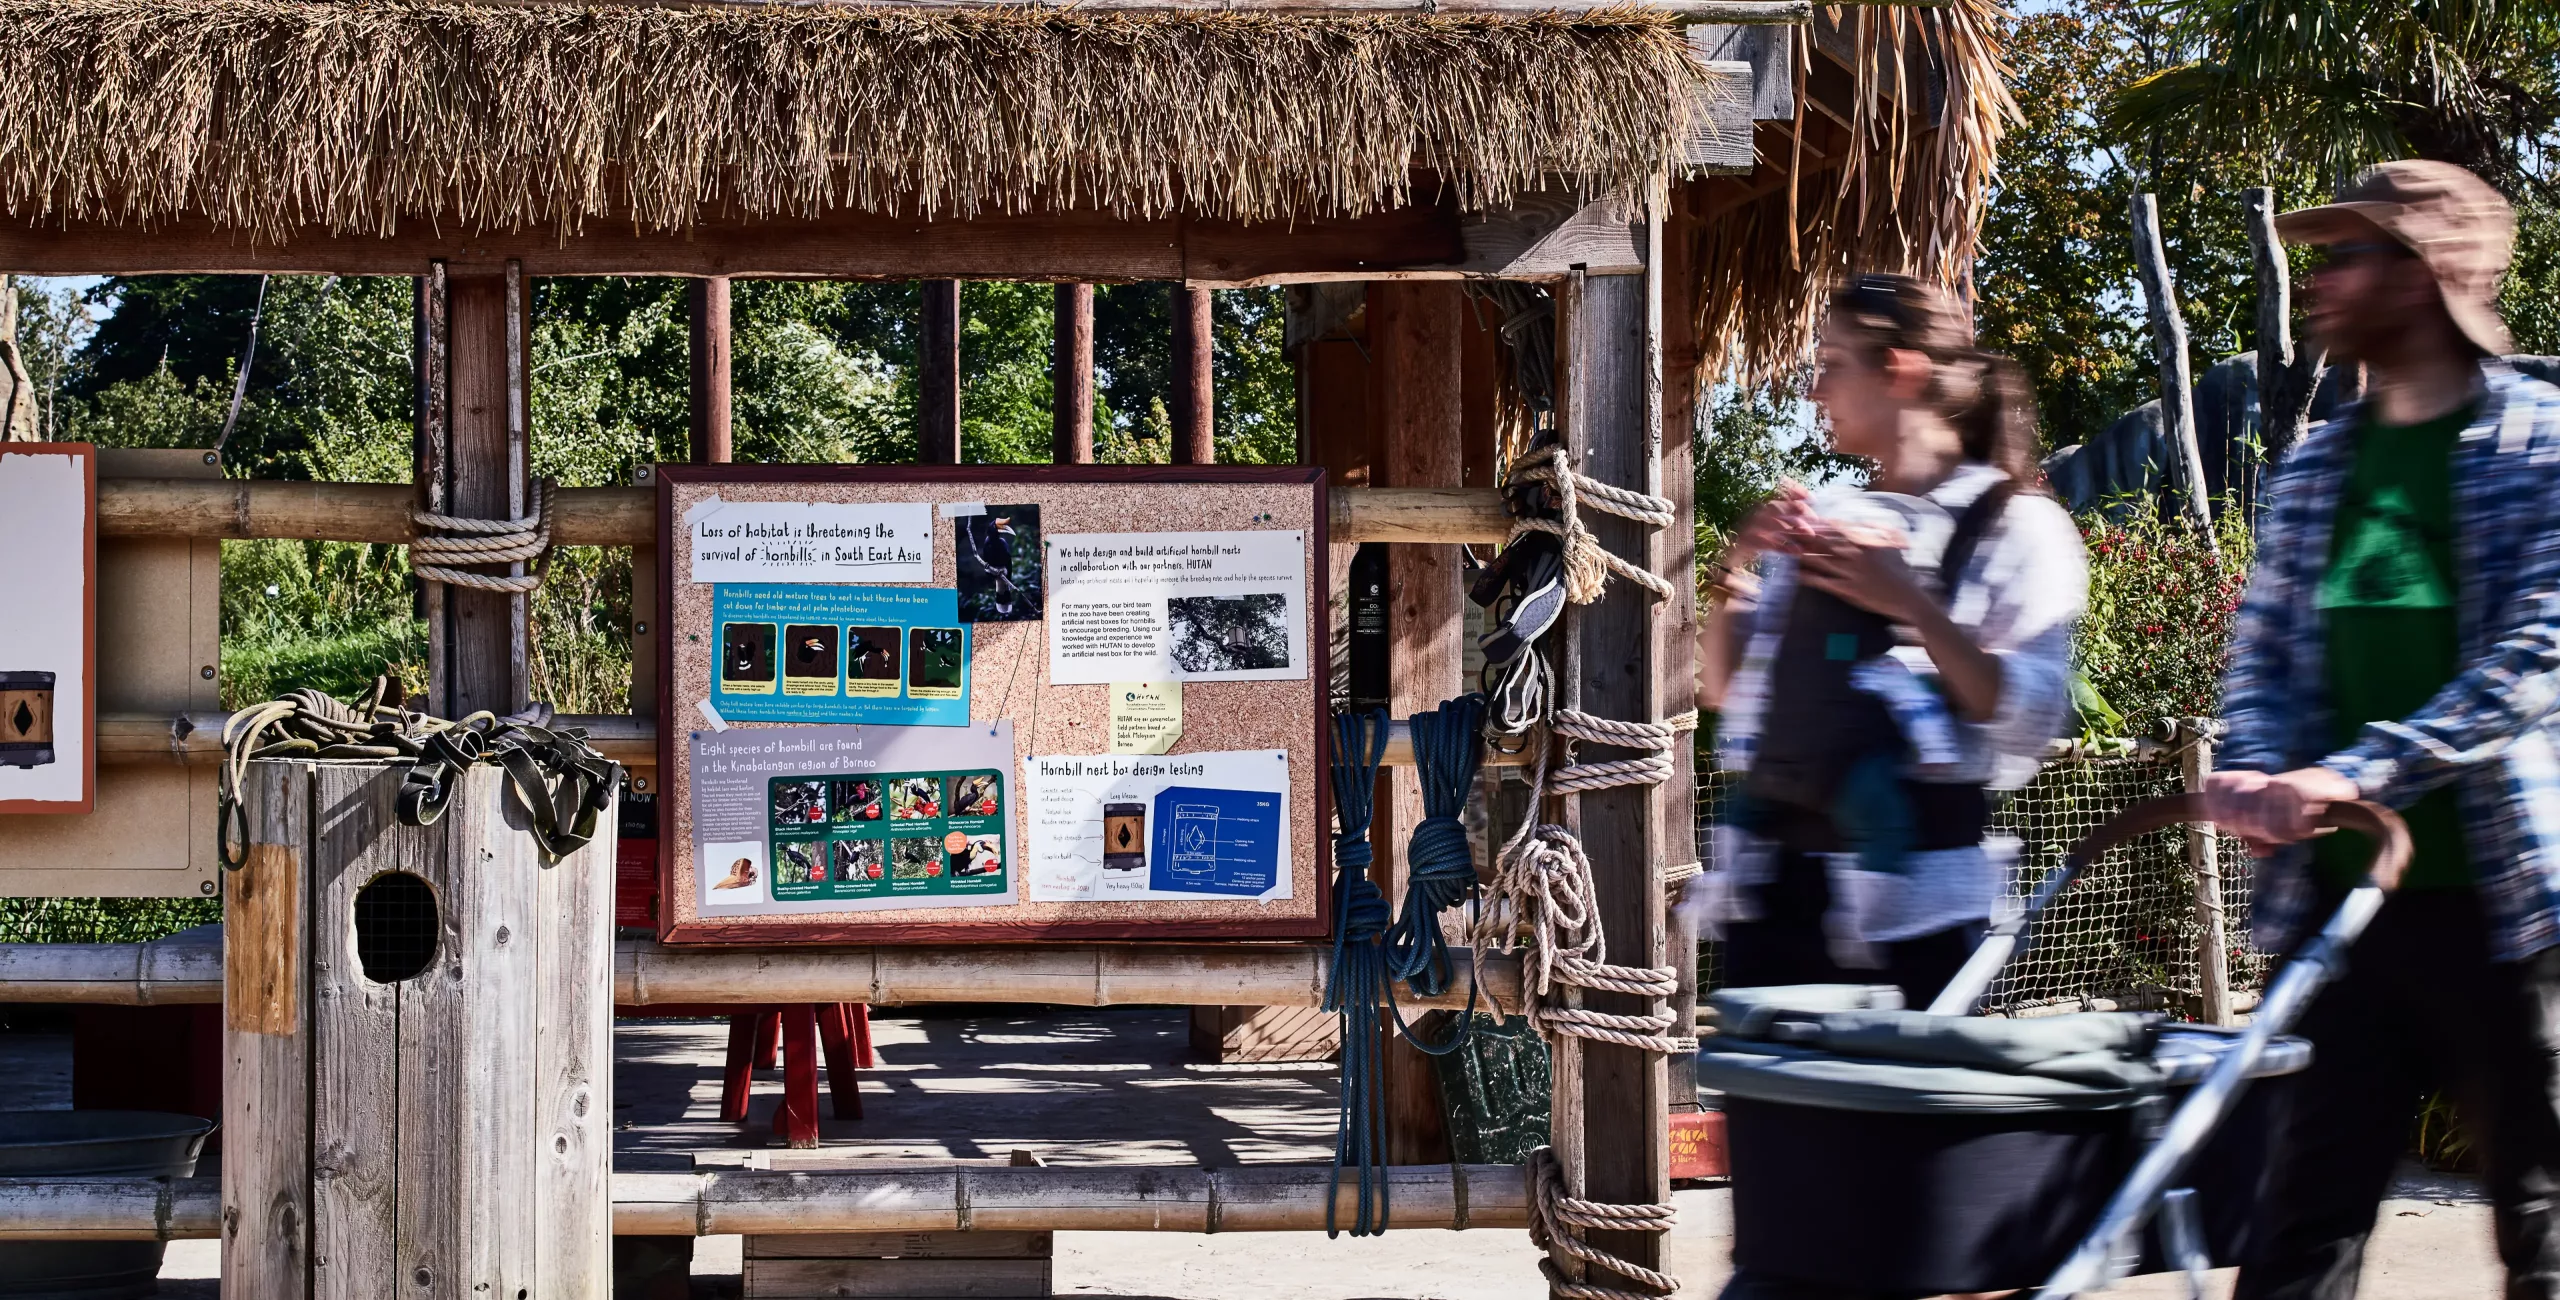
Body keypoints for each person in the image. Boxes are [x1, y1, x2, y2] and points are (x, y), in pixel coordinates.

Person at [2204, 160, 2560, 1300]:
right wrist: (2255, 765)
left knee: (2540, 1222)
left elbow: (2534, 657)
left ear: (2422, 276)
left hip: (2506, 907)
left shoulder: (2540, 440)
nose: (2319, 277)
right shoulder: (2320, 463)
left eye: (2347, 253)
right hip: (2343, 906)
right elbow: (2261, 651)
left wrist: (2353, 771)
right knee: (2300, 1224)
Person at [1695, 273, 2088, 1012]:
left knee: (1891, 1129)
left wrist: (1906, 601)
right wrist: (1734, 572)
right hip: (1775, 900)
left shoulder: (2018, 526)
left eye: (1832, 364)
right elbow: (1729, 694)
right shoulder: (1835, 515)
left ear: (1899, 369)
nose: (1814, 391)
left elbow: (2031, 724)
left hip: (1918, 918)